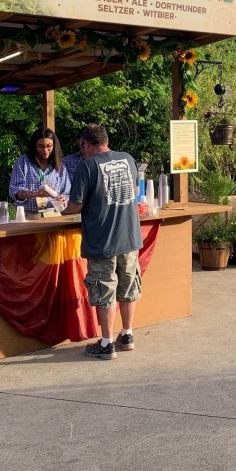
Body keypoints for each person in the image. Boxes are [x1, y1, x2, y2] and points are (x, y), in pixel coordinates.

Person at [63, 124, 144, 360]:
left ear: (84, 143)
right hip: (129, 238)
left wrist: (64, 208)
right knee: (128, 287)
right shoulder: (128, 159)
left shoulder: (87, 166)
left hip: (102, 242)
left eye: (82, 146)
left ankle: (107, 343)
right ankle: (127, 335)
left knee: (105, 289)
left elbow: (75, 205)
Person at [9, 127, 71, 215]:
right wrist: (35, 194)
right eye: (40, 146)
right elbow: (14, 191)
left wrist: (64, 199)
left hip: (53, 214)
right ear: (34, 146)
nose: (45, 150)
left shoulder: (60, 166)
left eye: (49, 146)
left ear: (54, 145)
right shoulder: (23, 162)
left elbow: (67, 192)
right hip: (28, 215)